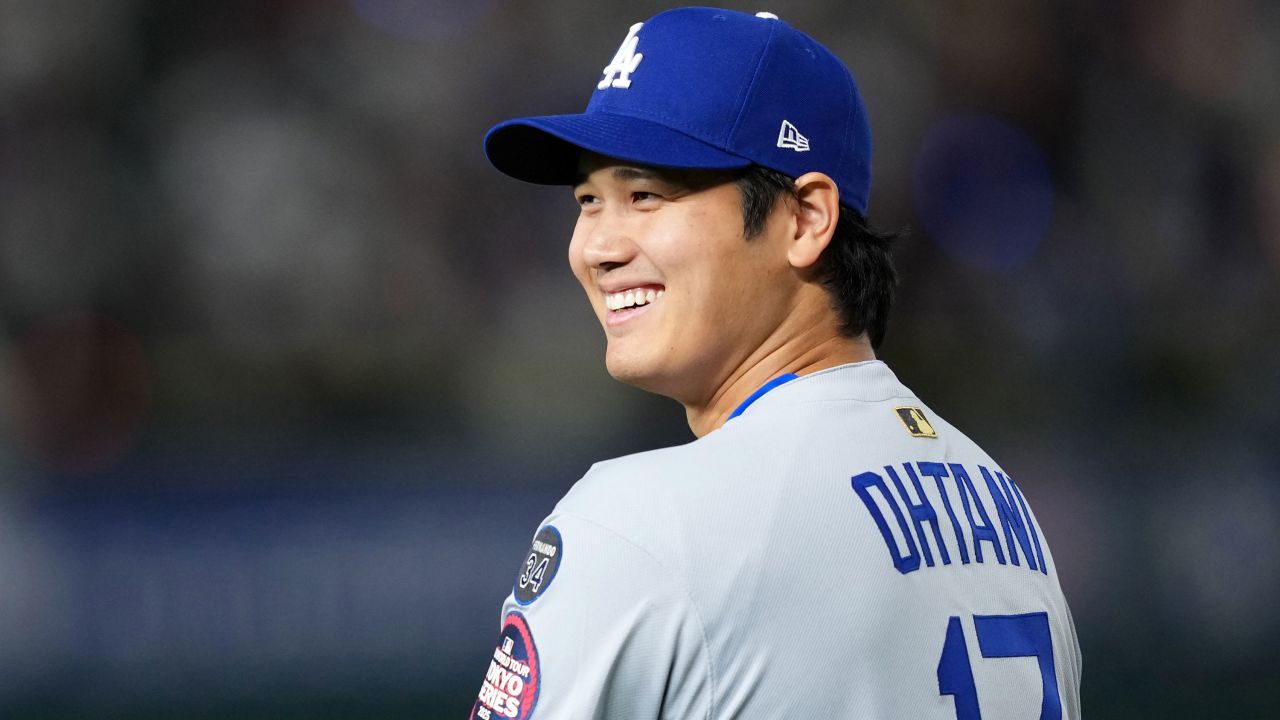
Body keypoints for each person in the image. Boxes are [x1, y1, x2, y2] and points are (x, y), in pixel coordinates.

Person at [470, 7, 1081, 719]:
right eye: (588, 201)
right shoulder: (1002, 506)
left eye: (644, 196)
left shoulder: (641, 521)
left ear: (805, 218)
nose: (597, 248)